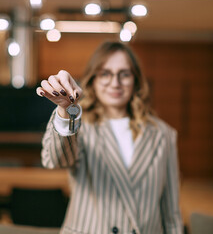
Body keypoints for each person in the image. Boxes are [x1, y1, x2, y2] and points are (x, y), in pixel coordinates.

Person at [36, 41, 183, 234]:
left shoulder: (163, 135)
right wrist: (65, 110)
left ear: (136, 80)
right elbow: (55, 160)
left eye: (124, 74)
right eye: (105, 73)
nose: (115, 83)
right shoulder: (81, 126)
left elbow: (171, 212)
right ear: (93, 80)